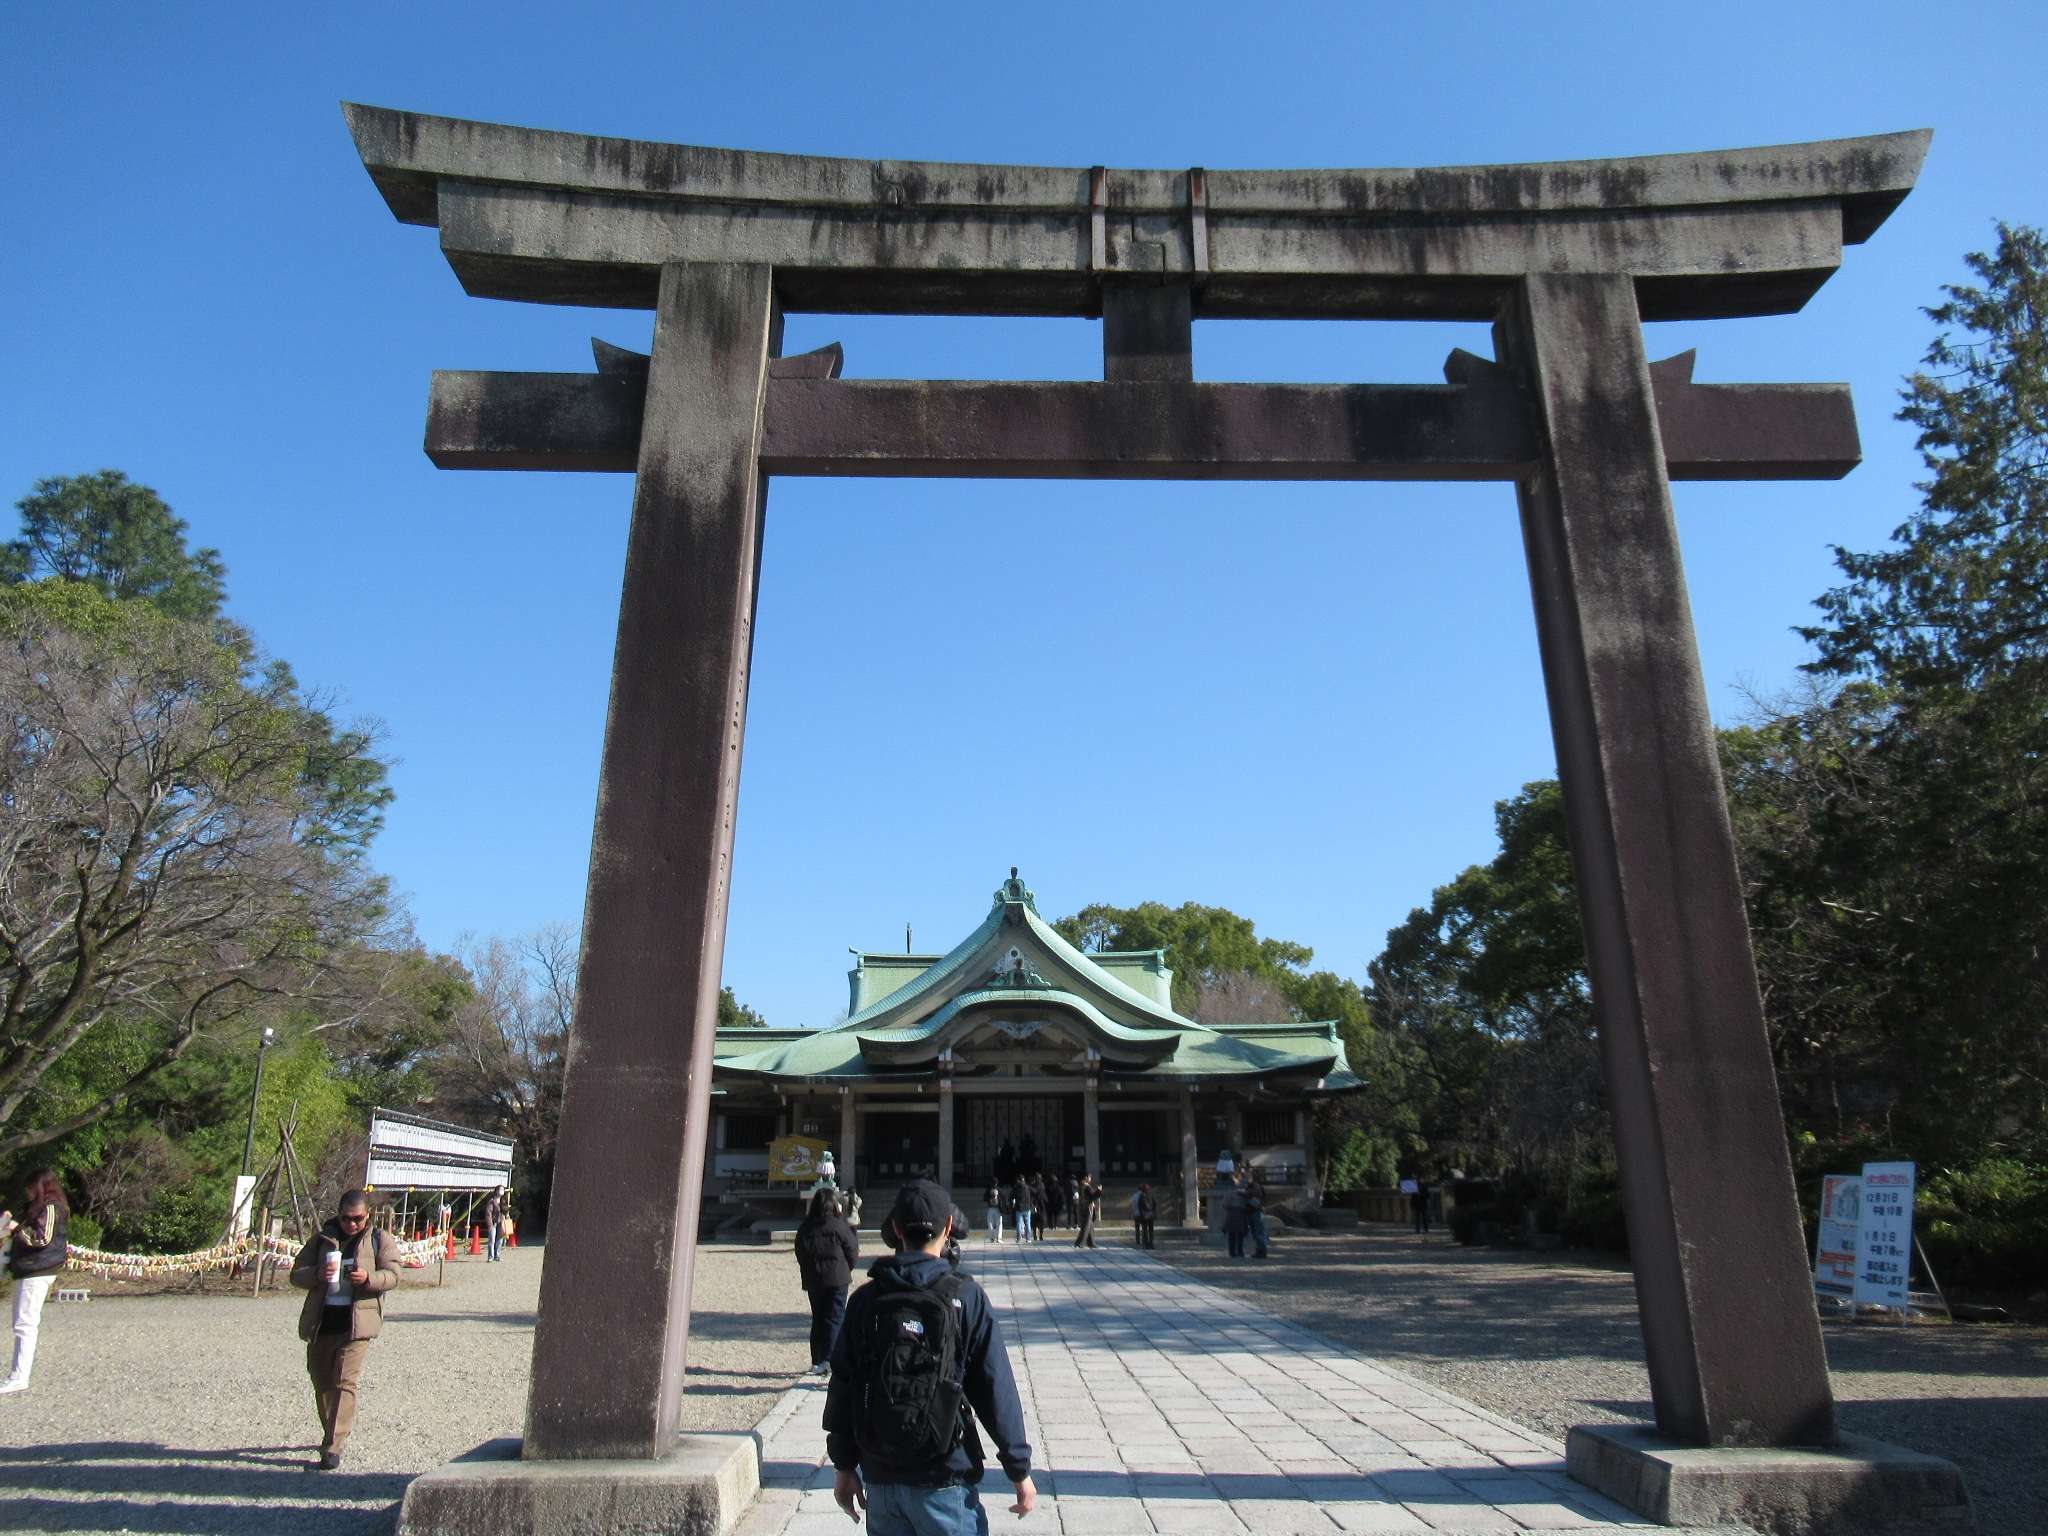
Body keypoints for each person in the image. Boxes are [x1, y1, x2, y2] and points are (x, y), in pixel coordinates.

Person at [824, 1182, 1035, 1534]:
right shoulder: (966, 1296)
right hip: (944, 1473)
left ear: (895, 1229)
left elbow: (844, 1383)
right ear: (949, 1228)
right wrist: (1019, 1468)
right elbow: (994, 1385)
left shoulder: (866, 1300)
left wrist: (844, 1466)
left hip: (881, 1472)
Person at [290, 1189, 401, 1469]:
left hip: (356, 1324)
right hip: (323, 1321)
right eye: (346, 1218)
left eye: (358, 1219)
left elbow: (395, 1274)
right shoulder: (323, 1239)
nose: (351, 1224)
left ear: (368, 1216)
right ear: (338, 1215)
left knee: (343, 1381)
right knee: (322, 1381)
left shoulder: (378, 1240)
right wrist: (317, 1274)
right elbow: (296, 1273)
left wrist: (369, 1278)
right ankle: (332, 1428)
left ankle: (333, 1445)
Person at [1, 1169, 70, 1395]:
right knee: (23, 1323)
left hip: (38, 1269)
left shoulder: (51, 1207)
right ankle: (18, 1374)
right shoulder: (43, 1207)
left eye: (31, 1187)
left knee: (25, 1324)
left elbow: (42, 1238)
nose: (28, 1192)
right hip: (30, 1269)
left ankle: (19, 1376)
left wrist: (16, 1230)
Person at [796, 1188, 860, 1375]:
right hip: (838, 1277)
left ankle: (817, 1359)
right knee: (835, 1317)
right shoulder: (840, 1226)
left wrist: (809, 1269)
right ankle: (830, 1358)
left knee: (818, 1317)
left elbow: (800, 1252)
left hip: (814, 1278)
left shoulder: (806, 1227)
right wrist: (847, 1267)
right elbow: (852, 1250)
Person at [1222, 1173, 1251, 1260]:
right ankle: (1240, 1252)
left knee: (1232, 1235)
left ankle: (1232, 1252)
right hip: (1241, 1213)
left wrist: (1229, 1208)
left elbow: (1224, 1204)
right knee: (1240, 1235)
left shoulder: (1230, 1192)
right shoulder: (1245, 1193)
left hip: (1232, 1213)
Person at [1244, 1170, 1270, 1259]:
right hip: (1252, 1211)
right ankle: (1259, 1250)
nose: (1247, 1178)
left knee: (1259, 1232)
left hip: (1256, 1211)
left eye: (1248, 1177)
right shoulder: (1250, 1186)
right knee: (1255, 1233)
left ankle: (1262, 1251)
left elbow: (1254, 1194)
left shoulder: (1255, 1186)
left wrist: (1243, 1193)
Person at [1073, 1174, 1100, 1249]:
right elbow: (1092, 1196)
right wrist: (1099, 1191)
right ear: (1086, 1178)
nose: (1090, 1178)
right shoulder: (1087, 1187)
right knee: (1086, 1225)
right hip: (1088, 1206)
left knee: (1089, 1225)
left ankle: (1091, 1242)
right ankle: (1080, 1242)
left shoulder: (1080, 1186)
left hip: (1082, 1206)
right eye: (1090, 1177)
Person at [1129, 1183, 1156, 1250]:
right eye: (1148, 1189)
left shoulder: (1138, 1196)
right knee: (1147, 1230)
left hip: (1142, 1215)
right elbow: (1141, 1206)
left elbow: (1137, 1206)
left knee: (1143, 1229)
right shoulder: (1143, 1196)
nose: (1149, 1190)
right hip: (1146, 1215)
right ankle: (1147, 1243)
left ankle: (1145, 1242)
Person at [483, 1187, 504, 1263]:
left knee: (500, 1240)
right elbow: (488, 1214)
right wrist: (490, 1225)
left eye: (503, 1190)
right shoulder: (492, 1201)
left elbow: (504, 1212)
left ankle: (497, 1256)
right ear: (497, 1191)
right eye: (501, 1189)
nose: (502, 1191)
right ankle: (490, 1256)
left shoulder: (503, 1201)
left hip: (501, 1223)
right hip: (493, 1223)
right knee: (492, 1240)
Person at [1010, 1176, 1033, 1243]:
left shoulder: (1016, 1188)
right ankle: (1028, 1238)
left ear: (1019, 1180)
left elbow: (1011, 1196)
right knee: (1028, 1223)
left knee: (1019, 1223)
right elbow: (1034, 1192)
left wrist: (1012, 1202)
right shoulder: (1028, 1187)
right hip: (1027, 1208)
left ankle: (1019, 1238)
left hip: (1019, 1208)